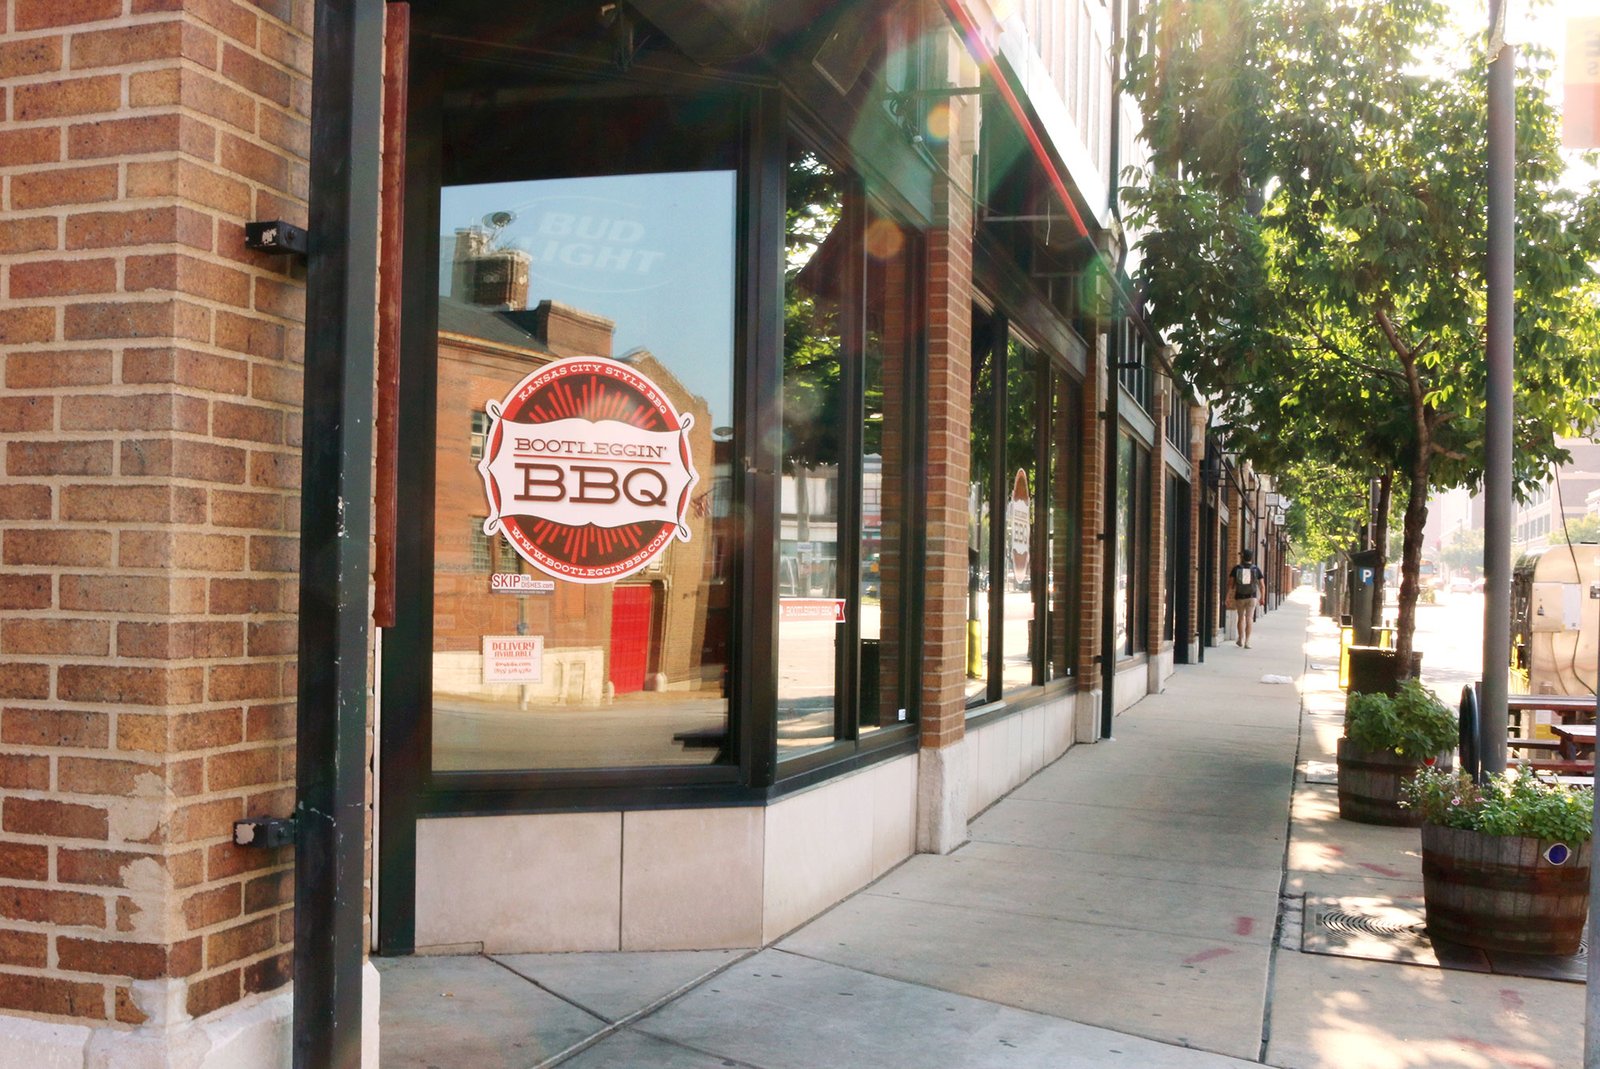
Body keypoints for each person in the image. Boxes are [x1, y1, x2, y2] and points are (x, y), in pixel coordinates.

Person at [1231, 549, 1266, 648]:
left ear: (1242, 557)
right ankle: (1247, 641)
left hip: (1240, 596)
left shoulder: (1236, 568)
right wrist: (1262, 597)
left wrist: (1226, 597)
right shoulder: (1256, 569)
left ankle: (1240, 639)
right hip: (1252, 597)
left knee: (1241, 618)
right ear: (1251, 558)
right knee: (1249, 618)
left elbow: (1230, 585)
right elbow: (1262, 586)